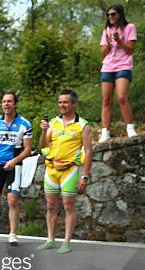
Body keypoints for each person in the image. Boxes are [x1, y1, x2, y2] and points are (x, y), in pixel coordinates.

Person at [38, 89, 93, 254]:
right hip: (51, 169)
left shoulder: (83, 125)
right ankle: (50, 240)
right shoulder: (53, 123)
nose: (62, 105)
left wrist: (85, 175)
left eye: (65, 102)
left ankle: (67, 241)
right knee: (50, 206)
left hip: (69, 171)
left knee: (68, 206)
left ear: (74, 104)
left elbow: (88, 151)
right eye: (60, 102)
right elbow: (43, 146)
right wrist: (43, 131)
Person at [0, 92, 33, 245]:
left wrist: (15, 161)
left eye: (9, 101)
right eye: (4, 101)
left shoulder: (25, 124)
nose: (6, 104)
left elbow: (28, 149)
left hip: (14, 166)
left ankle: (13, 234)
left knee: (12, 200)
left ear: (15, 104)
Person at [98, 4, 137, 143]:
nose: (110, 17)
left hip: (124, 65)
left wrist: (119, 41)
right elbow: (102, 54)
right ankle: (105, 132)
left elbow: (130, 50)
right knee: (106, 100)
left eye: (113, 14)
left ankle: (130, 128)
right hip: (108, 67)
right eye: (108, 15)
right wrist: (108, 44)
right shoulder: (106, 30)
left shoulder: (129, 27)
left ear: (120, 14)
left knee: (121, 97)